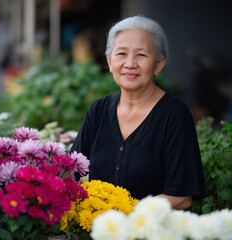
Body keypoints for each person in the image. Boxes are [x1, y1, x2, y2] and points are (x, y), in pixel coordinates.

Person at [70, 15, 206, 209]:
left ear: (159, 64)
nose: (130, 63)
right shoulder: (98, 111)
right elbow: (70, 172)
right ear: (109, 62)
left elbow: (181, 197)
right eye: (121, 54)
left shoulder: (175, 116)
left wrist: (128, 213)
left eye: (141, 55)